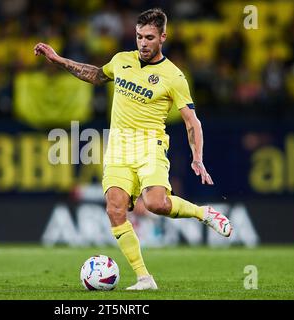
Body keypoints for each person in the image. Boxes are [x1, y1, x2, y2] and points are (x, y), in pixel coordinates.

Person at [34, 8, 232, 290]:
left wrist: (197, 157)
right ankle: (144, 278)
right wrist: (58, 60)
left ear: (163, 36)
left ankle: (205, 214)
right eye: (139, 36)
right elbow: (95, 75)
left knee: (155, 203)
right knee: (115, 209)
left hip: (150, 146)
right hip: (118, 148)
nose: (143, 43)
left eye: (149, 37)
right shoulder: (121, 60)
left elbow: (192, 121)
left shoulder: (173, 76)